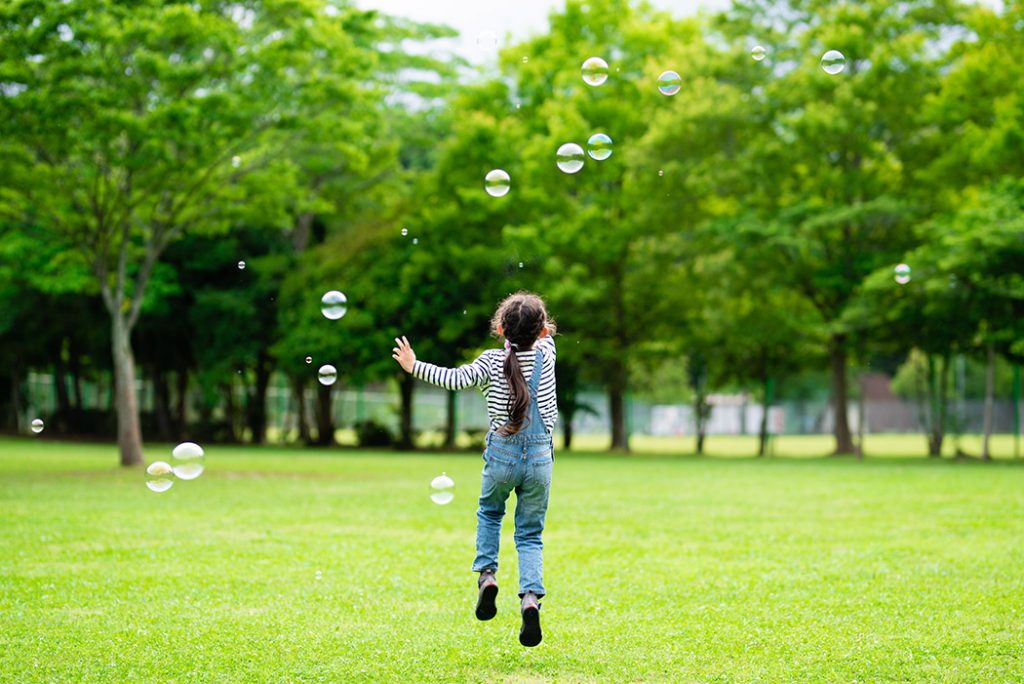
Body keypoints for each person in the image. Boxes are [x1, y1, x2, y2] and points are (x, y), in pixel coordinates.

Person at [391, 292, 557, 648]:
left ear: (499, 329)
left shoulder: (488, 363)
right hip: (541, 459)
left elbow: (452, 379)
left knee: (490, 513)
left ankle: (487, 577)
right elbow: (541, 336)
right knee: (529, 534)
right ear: (542, 330)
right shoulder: (548, 354)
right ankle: (530, 598)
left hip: (501, 456)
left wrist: (413, 365)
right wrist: (537, 329)